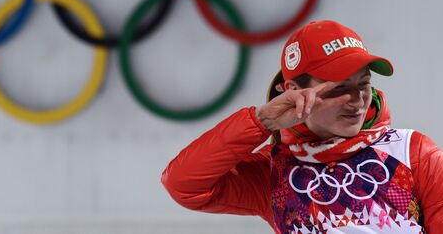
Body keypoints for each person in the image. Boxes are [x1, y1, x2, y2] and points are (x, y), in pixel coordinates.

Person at [161, 20, 443, 233]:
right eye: (339, 88)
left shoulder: (412, 152)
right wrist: (262, 121)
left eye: (364, 84)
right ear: (293, 91)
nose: (357, 101)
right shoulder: (274, 172)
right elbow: (183, 185)